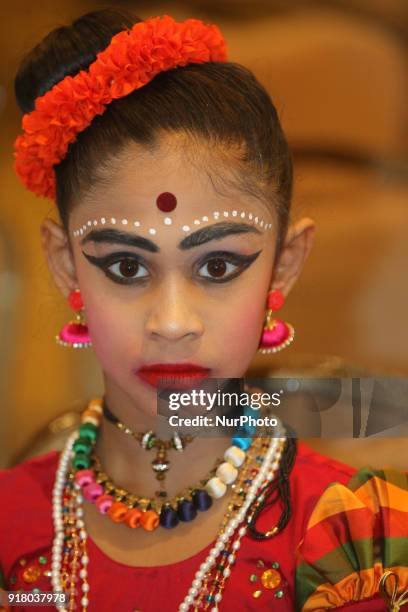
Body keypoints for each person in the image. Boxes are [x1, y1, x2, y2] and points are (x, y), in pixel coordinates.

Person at [1, 8, 407, 612]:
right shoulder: (11, 523)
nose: (171, 321)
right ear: (65, 266)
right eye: (127, 267)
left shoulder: (359, 535)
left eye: (216, 268)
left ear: (285, 265)